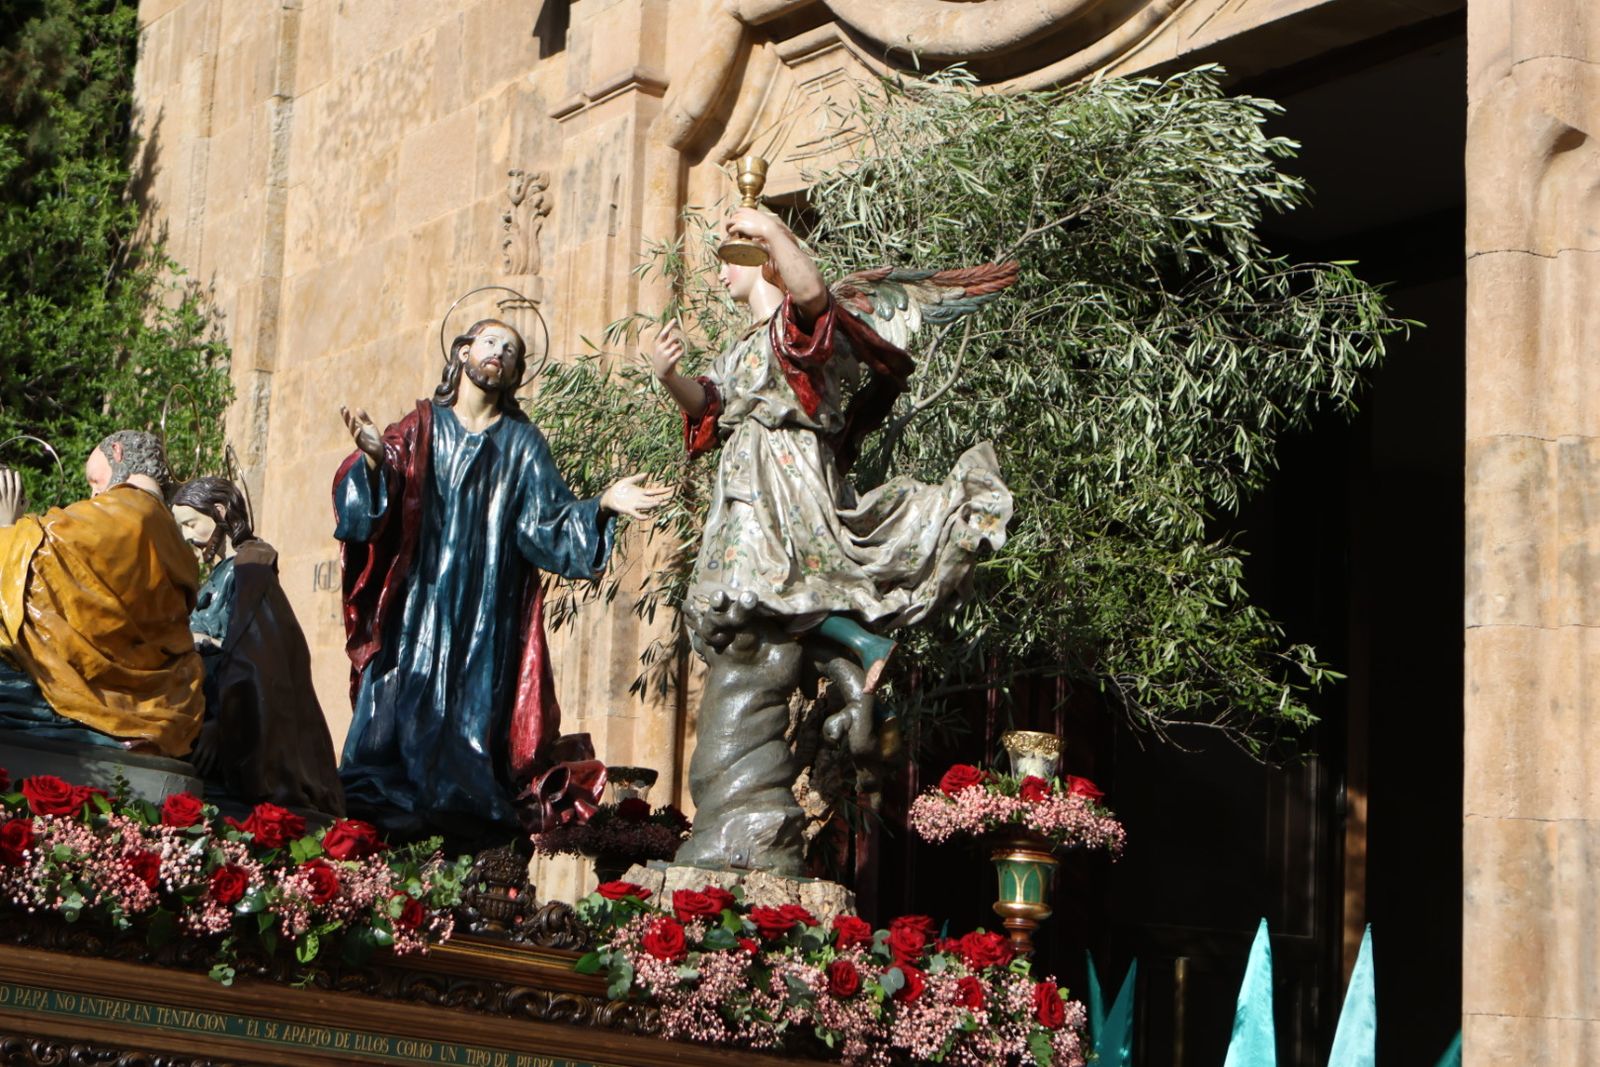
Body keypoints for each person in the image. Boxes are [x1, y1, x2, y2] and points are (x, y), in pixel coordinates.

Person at [650, 208, 1013, 690]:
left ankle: (866, 644)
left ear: (759, 259)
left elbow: (813, 296)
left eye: (729, 261)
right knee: (749, 587)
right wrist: (669, 377)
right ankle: (865, 647)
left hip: (788, 466)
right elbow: (709, 406)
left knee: (771, 578)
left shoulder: (792, 325)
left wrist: (774, 230)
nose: (720, 275)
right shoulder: (738, 349)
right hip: (744, 475)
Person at [334, 317, 669, 839]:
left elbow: (547, 525)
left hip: (486, 615)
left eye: (512, 351)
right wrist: (374, 463)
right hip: (417, 611)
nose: (500, 353)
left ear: (515, 373)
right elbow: (373, 507)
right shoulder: (420, 426)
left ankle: (468, 838)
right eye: (490, 342)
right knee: (390, 730)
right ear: (462, 353)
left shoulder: (523, 445)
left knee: (475, 734)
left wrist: (601, 505)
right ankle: (381, 834)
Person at [0, 431, 205, 756]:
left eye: (94, 479)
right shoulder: (174, 539)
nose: (94, 491)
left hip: (82, 686)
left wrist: (7, 529)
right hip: (155, 694)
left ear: (118, 453)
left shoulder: (126, 510)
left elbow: (41, 565)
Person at [173, 476, 344, 816]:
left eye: (191, 524)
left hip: (229, 725)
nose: (187, 537)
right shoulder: (221, 575)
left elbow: (255, 658)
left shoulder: (250, 570)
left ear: (219, 511)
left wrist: (223, 723)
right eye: (181, 528)